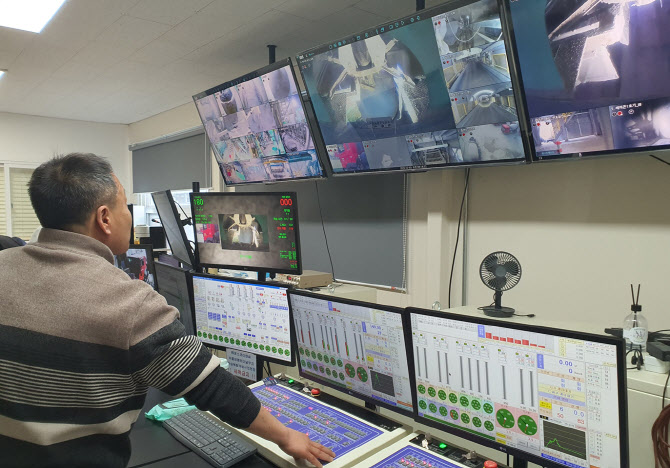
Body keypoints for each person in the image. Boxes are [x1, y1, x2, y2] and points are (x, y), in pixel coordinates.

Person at [0, 153, 335, 468]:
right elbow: (211, 386)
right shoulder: (126, 301)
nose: (128, 215)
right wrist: (286, 437)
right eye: (123, 205)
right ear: (104, 218)